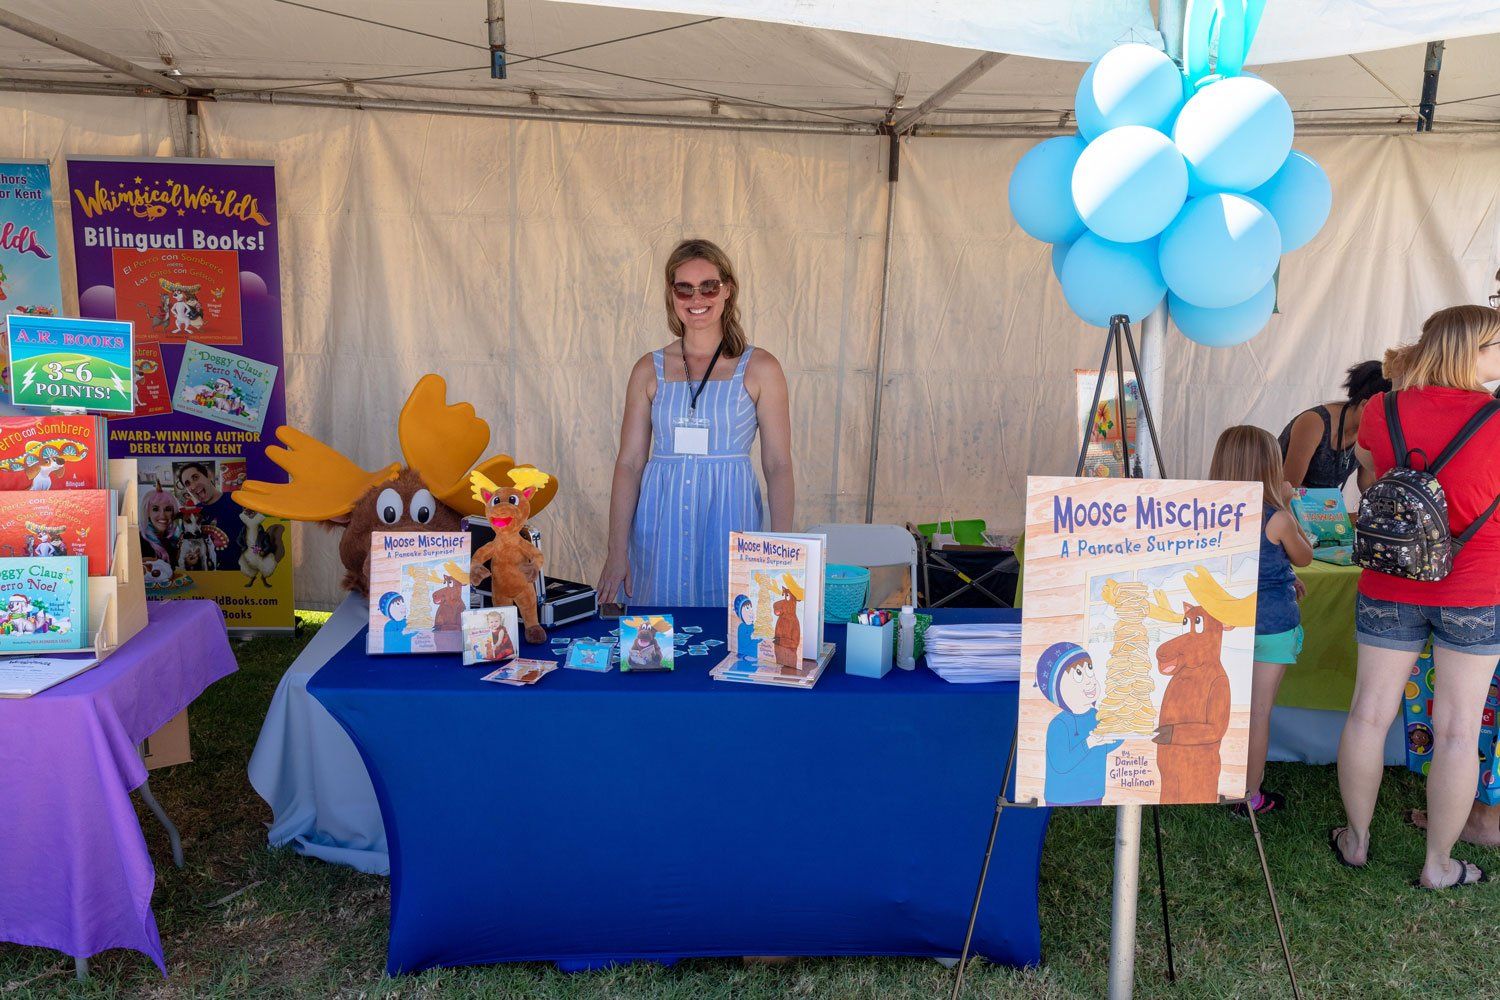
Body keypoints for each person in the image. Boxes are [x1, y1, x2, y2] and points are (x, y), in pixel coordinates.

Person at [1333, 304, 1500, 889]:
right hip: (1477, 587)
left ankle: (1357, 840)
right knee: (1458, 731)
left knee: (1368, 713)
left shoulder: (1381, 410)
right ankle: (1438, 865)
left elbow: (1371, 482)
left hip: (1390, 579)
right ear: (1473, 351)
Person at [596, 238, 794, 607]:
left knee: (734, 629)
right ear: (671, 295)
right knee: (656, 644)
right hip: (660, 525)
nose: (696, 298)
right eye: (684, 288)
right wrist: (616, 551)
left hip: (730, 519)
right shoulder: (648, 368)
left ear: (728, 290)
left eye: (709, 286)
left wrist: (781, 553)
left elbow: (778, 464)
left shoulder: (761, 368)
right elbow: (629, 463)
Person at [1209, 426, 1314, 817]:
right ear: (1271, 465)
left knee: (1224, 706)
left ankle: (1214, 779)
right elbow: (1303, 556)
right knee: (1258, 713)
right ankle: (1248, 794)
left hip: (1226, 625)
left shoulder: (1210, 517)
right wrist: (1290, 505)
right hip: (1272, 628)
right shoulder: (1279, 518)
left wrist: (1284, 576)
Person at [1277, 361, 1392, 491]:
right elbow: (1288, 487)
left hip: (1322, 508)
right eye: (1387, 416)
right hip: (1282, 502)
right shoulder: (1314, 423)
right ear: (1364, 406)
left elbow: (1367, 484)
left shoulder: (1368, 436)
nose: (1390, 424)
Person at [1037, 642, 1123, 806]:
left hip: (1093, 791)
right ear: (1058, 689)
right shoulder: (1059, 724)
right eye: (1078, 674)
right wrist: (1089, 743)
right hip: (1062, 796)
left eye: (1089, 671)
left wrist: (1121, 728)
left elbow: (1105, 746)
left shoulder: (1098, 716)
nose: (1089, 681)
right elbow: (1061, 764)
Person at [176, 460, 243, 566]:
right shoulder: (193, 513)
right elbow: (190, 549)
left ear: (208, 475)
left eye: (195, 477)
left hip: (240, 575)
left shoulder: (238, 501)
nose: (193, 486)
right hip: (209, 577)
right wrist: (189, 561)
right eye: (188, 484)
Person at [140, 482, 182, 568]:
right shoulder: (140, 541)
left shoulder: (172, 540)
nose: (162, 515)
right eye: (155, 509)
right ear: (147, 512)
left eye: (168, 509)